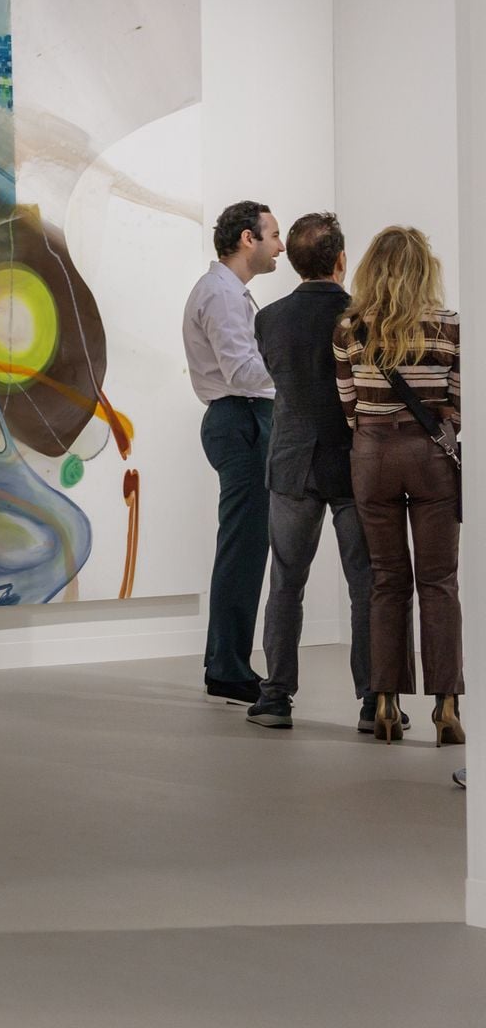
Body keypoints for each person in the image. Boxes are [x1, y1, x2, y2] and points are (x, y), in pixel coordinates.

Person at [334, 226, 463, 747]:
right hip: (430, 455)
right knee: (439, 581)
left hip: (371, 455)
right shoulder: (448, 325)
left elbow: (348, 404)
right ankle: (446, 704)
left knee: (387, 580)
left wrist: (374, 427)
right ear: (424, 269)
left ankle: (385, 701)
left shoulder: (349, 328)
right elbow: (459, 402)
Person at [247, 214, 376, 731]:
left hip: (291, 462)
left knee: (285, 583)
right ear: (341, 259)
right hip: (353, 462)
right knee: (366, 586)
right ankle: (374, 702)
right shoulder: (362, 318)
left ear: (295, 262)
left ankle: (276, 696)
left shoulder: (269, 319)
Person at [183, 200, 283, 705]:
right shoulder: (222, 295)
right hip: (240, 419)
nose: (280, 247)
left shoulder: (228, 292)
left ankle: (226, 662)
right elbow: (243, 372)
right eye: (274, 236)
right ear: (248, 239)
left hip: (243, 418)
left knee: (244, 544)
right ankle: (227, 668)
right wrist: (291, 365)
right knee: (244, 547)